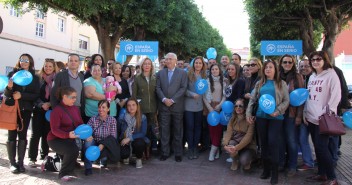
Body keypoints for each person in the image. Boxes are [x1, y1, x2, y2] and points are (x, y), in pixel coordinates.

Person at [246, 59, 289, 185]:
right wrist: (249, 113)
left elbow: (286, 101)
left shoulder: (282, 83)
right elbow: (253, 100)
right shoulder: (259, 83)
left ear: (275, 70)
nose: (268, 69)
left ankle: (275, 173)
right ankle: (266, 170)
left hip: (276, 117)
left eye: (270, 67)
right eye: (266, 68)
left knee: (272, 143)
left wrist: (278, 111)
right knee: (263, 144)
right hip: (261, 117)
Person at [304, 51, 341, 185]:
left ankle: (332, 177)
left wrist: (327, 113)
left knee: (322, 147)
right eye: (313, 59)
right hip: (311, 117)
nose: (315, 61)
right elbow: (309, 97)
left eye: (318, 59)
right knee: (317, 147)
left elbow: (336, 96)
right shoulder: (312, 76)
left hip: (323, 119)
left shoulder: (331, 74)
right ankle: (321, 173)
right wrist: (306, 114)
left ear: (324, 60)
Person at [5, 53, 40, 173]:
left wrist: (22, 95)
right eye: (22, 60)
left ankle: (20, 163)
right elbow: (7, 94)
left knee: (22, 135)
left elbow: (36, 95)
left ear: (30, 62)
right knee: (11, 135)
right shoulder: (12, 75)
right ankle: (12, 163)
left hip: (26, 110)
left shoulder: (35, 78)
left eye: (26, 60)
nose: (24, 62)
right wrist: (9, 88)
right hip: (13, 110)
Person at [156, 52, 188, 162]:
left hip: (177, 106)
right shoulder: (160, 73)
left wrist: (173, 100)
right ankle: (165, 152)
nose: (168, 61)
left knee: (178, 131)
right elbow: (158, 88)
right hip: (164, 107)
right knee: (164, 131)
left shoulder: (183, 73)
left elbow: (183, 88)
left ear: (175, 60)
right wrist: (164, 99)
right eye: (166, 59)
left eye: (170, 59)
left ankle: (178, 153)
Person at [47, 86, 83, 181]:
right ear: (65, 97)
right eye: (72, 97)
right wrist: (67, 135)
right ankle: (63, 173)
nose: (75, 100)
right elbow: (54, 130)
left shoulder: (75, 109)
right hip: (55, 139)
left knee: (73, 151)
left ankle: (52, 163)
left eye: (76, 97)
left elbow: (80, 123)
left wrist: (87, 134)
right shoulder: (57, 111)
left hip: (68, 138)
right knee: (72, 150)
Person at [28, 58, 59, 167]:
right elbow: (34, 94)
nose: (48, 68)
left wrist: (49, 104)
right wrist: (42, 104)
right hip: (38, 109)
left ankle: (45, 155)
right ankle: (32, 158)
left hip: (50, 111)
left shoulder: (57, 79)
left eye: (50, 66)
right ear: (43, 66)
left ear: (54, 67)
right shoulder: (37, 78)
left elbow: (58, 95)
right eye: (46, 66)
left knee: (47, 133)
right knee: (35, 134)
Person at [278, 54, 304, 176]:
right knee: (281, 140)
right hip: (278, 113)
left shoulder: (297, 77)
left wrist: (299, 115)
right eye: (285, 62)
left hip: (291, 114)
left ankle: (292, 166)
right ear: (281, 63)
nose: (287, 64)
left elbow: (301, 98)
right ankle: (282, 163)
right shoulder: (277, 76)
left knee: (292, 141)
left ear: (293, 64)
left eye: (290, 62)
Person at [84, 100, 118, 176]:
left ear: (108, 109)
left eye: (103, 107)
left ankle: (103, 159)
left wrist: (102, 144)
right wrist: (87, 136)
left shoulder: (112, 120)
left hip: (106, 143)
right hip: (95, 140)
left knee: (104, 159)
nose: (101, 109)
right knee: (87, 143)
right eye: (99, 107)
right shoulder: (93, 119)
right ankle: (88, 167)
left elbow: (113, 137)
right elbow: (87, 131)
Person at [132, 57, 157, 157]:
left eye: (149, 64)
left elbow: (157, 94)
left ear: (151, 66)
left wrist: (157, 108)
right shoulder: (137, 78)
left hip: (153, 108)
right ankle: (142, 151)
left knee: (153, 130)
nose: (147, 65)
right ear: (142, 65)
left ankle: (152, 149)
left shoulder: (155, 78)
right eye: (145, 64)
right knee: (143, 130)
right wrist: (137, 107)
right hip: (141, 109)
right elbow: (134, 95)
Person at [223, 99, 256, 171]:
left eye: (240, 106)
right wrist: (225, 145)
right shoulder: (232, 119)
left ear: (245, 108)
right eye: (236, 106)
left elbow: (248, 138)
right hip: (236, 144)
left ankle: (248, 161)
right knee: (230, 143)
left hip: (248, 146)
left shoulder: (250, 120)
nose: (238, 108)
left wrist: (236, 148)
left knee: (244, 161)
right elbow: (228, 133)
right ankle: (235, 160)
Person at [184, 56, 207, 160]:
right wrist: (191, 94)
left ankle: (195, 148)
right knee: (190, 127)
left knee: (198, 127)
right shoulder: (187, 74)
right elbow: (183, 89)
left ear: (203, 65)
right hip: (188, 105)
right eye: (196, 63)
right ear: (193, 64)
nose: (198, 65)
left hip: (199, 106)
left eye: (200, 63)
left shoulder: (205, 76)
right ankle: (190, 148)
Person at [203, 63, 226, 161]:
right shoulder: (206, 81)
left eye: (216, 69)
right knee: (212, 130)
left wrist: (220, 105)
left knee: (218, 130)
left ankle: (213, 151)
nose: (214, 71)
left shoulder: (224, 82)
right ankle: (215, 150)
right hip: (209, 106)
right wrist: (210, 108)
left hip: (220, 107)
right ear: (210, 71)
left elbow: (225, 95)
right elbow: (204, 97)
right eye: (212, 69)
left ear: (219, 70)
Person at [118, 98, 148, 168]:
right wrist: (119, 140)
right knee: (123, 154)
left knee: (139, 143)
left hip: (136, 139)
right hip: (124, 139)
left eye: (133, 105)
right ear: (126, 107)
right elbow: (118, 130)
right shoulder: (122, 117)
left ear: (137, 106)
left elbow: (143, 133)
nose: (131, 107)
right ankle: (127, 155)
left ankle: (138, 158)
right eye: (129, 105)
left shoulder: (142, 117)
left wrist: (129, 138)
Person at [297, 59, 315, 171]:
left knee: (318, 141)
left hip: (315, 116)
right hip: (303, 115)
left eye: (306, 66)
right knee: (302, 139)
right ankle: (308, 162)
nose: (304, 68)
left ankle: (326, 162)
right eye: (301, 66)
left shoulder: (315, 78)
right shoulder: (299, 79)